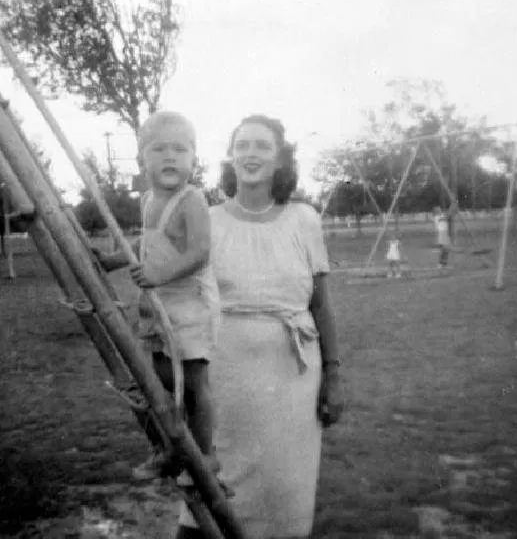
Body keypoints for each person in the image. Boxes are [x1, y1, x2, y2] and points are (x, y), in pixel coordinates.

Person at [176, 114, 344, 539]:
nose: (251, 154)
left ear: (279, 160)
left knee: (283, 489)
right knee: (213, 489)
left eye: (262, 146)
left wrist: (335, 376)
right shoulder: (207, 220)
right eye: (243, 145)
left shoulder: (304, 219)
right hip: (224, 381)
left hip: (293, 381)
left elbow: (321, 304)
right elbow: (180, 294)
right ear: (231, 157)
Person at [95, 111, 220, 483]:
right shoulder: (149, 200)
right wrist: (115, 261)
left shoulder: (191, 200)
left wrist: (158, 274)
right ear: (141, 159)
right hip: (158, 301)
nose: (170, 157)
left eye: (180, 150)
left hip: (189, 301)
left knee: (194, 381)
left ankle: (207, 455)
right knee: (160, 377)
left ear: (193, 160)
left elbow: (199, 252)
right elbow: (146, 244)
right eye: (159, 148)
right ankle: (174, 449)